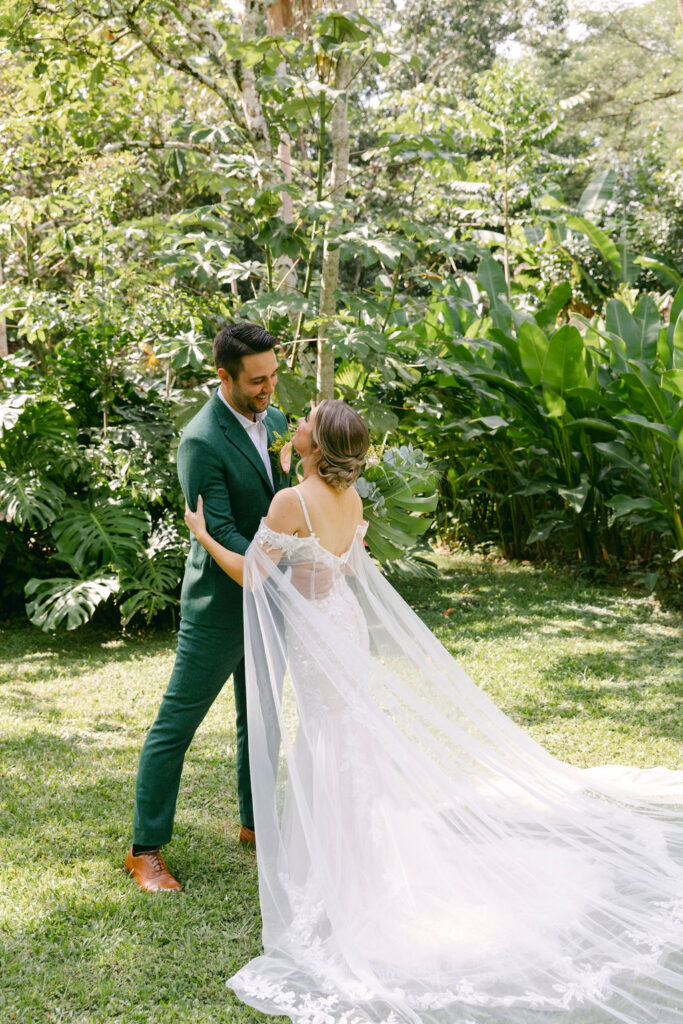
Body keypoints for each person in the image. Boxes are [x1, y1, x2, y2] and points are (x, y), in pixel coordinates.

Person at [185, 399, 683, 1024]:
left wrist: (203, 533)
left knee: (329, 736)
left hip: (316, 638)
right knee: (347, 734)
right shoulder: (350, 500)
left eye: (307, 419)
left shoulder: (292, 504)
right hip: (344, 626)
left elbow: (257, 578)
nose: (298, 419)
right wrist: (299, 458)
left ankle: (344, 875)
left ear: (318, 443)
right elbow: (330, 549)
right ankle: (354, 855)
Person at [125, 321, 289, 893]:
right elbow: (216, 530)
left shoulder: (275, 421)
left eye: (273, 375)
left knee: (262, 719)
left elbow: (281, 501)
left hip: (271, 600)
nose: (269, 389)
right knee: (178, 722)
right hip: (219, 604)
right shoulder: (200, 440)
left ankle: (255, 824)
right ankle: (145, 849)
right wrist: (286, 567)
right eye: (257, 381)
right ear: (224, 376)